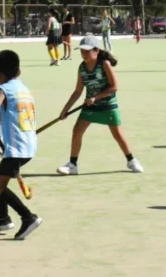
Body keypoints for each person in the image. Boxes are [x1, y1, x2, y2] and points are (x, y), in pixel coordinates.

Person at [56, 35, 144, 175]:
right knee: (77, 131)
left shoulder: (104, 64)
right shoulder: (82, 68)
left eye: (87, 51)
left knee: (118, 134)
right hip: (91, 107)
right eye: (82, 51)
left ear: (96, 51)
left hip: (108, 105)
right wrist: (65, 109)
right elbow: (78, 91)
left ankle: (131, 160)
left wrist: (95, 97)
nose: (84, 54)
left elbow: (114, 87)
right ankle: (72, 165)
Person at [0, 50, 43, 239]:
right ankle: (3, 218)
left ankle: (28, 217)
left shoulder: (5, 88)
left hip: (16, 148)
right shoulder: (24, 88)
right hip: (28, 145)